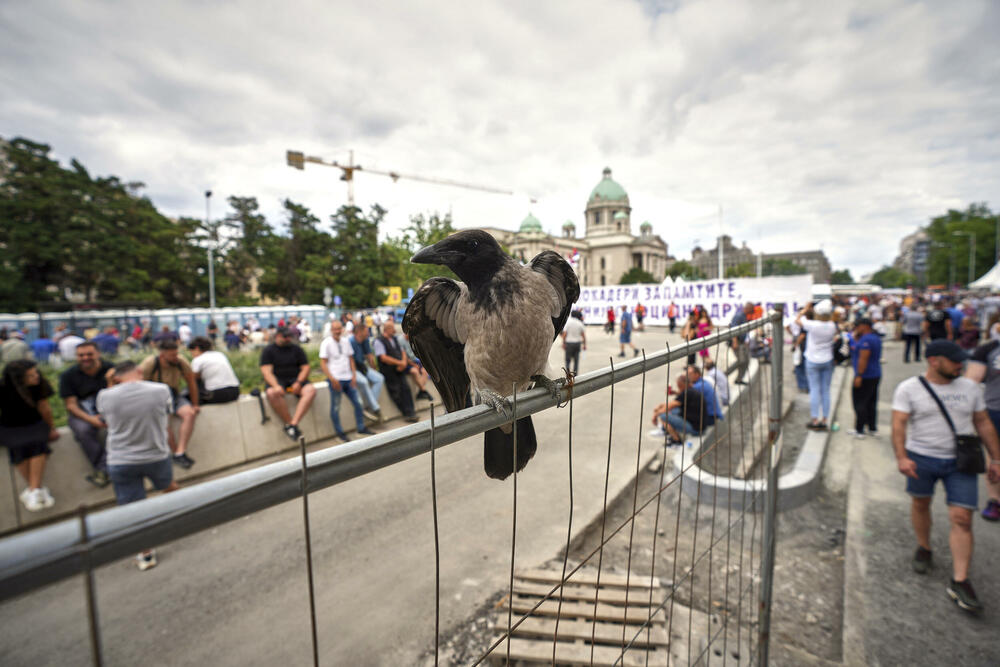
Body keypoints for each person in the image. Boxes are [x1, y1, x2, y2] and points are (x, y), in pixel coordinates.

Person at [891, 340, 1000, 614]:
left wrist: (996, 457)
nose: (960, 365)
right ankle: (924, 547)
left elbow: (983, 422)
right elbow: (899, 424)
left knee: (962, 517)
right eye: (954, 361)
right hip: (921, 459)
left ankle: (960, 580)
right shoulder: (908, 389)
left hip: (960, 461)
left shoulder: (970, 388)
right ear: (934, 361)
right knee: (920, 504)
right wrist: (902, 457)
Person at [97, 361, 179, 570]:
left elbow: (106, 418)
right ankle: (188, 517)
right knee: (169, 486)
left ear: (115, 377)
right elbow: (166, 415)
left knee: (134, 510)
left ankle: (146, 555)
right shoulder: (160, 390)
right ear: (140, 372)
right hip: (156, 455)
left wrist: (110, 384)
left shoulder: (105, 395)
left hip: (121, 460)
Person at [0, 360, 58, 512]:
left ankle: (32, 491)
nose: (36, 376)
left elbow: (45, 408)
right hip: (10, 426)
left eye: (36, 372)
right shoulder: (3, 387)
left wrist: (51, 428)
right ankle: (37, 489)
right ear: (19, 379)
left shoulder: (39, 385)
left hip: (35, 423)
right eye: (30, 375)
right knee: (17, 446)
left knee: (38, 443)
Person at [59, 342, 114, 487]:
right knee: (83, 430)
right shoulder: (68, 375)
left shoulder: (110, 369)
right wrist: (91, 419)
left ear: (98, 354)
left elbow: (118, 394)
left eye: (89, 354)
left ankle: (106, 469)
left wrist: (110, 380)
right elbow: (71, 405)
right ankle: (104, 468)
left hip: (108, 409)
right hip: (82, 412)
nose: (85, 358)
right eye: (81, 355)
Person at [138, 340, 199, 468]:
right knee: (165, 422)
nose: (176, 357)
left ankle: (180, 452)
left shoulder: (181, 362)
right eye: (172, 355)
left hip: (174, 395)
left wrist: (195, 404)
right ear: (162, 355)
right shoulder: (150, 363)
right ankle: (175, 452)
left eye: (177, 354)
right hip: (155, 397)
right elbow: (138, 383)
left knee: (189, 414)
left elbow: (191, 382)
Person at [963, 339, 1000, 522]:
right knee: (995, 455)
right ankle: (995, 500)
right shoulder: (990, 348)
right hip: (995, 409)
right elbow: (971, 380)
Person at [260, 327, 318, 441]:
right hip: (280, 384)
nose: (288, 339)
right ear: (277, 336)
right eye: (285, 337)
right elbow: (266, 372)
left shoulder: (296, 349)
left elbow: (305, 367)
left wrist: (299, 382)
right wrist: (276, 385)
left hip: (295, 384)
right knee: (271, 393)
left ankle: (293, 424)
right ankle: (289, 423)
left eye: (289, 337)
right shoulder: (268, 351)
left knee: (310, 390)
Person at [318, 320, 373, 441]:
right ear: (331, 330)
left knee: (358, 403)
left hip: (348, 378)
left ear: (342, 329)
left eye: (339, 328)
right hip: (335, 380)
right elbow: (323, 363)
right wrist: (332, 379)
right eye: (335, 329)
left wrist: (353, 375)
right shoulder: (326, 343)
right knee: (336, 407)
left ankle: (361, 428)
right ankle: (339, 433)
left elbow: (351, 359)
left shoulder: (345, 341)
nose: (337, 331)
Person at [797, 300, 838, 430]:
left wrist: (805, 309)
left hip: (812, 360)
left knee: (814, 390)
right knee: (825, 390)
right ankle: (825, 419)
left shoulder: (812, 325)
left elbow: (797, 320)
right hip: (827, 360)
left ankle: (815, 420)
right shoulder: (832, 325)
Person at [374, 321, 420, 423]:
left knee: (406, 389)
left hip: (400, 369)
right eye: (392, 328)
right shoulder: (379, 341)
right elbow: (383, 358)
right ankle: (407, 414)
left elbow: (402, 351)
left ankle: (411, 412)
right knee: (396, 392)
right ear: (387, 329)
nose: (394, 330)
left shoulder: (394, 339)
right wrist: (399, 363)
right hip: (389, 371)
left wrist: (403, 362)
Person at [651, 374, 714, 445]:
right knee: (673, 411)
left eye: (678, 385)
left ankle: (676, 441)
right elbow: (672, 404)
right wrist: (661, 406)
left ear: (681, 385)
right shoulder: (692, 391)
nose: (678, 387)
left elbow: (669, 406)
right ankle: (666, 430)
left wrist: (655, 416)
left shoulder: (687, 393)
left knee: (663, 416)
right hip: (700, 425)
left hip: (696, 429)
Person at [848, 318, 882, 438]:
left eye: (858, 326)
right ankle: (872, 427)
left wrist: (859, 375)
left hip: (865, 375)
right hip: (875, 374)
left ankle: (859, 429)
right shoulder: (875, 337)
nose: (856, 328)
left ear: (865, 326)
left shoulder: (866, 340)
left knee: (859, 402)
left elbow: (863, 359)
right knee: (871, 402)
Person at [187, 337, 240, 404]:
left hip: (217, 394)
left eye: (192, 352)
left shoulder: (197, 360)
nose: (192, 355)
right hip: (235, 391)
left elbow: (192, 379)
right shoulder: (220, 354)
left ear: (197, 349)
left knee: (188, 393)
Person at [349, 326, 386, 422]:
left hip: (362, 367)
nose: (368, 333)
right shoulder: (351, 341)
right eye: (366, 331)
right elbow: (350, 360)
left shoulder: (365, 340)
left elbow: (369, 355)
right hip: (352, 369)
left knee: (379, 378)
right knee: (364, 382)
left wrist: (373, 368)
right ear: (359, 331)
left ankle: (369, 407)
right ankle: (376, 410)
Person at [728, 303, 754, 386]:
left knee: (746, 361)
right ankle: (725, 374)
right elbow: (733, 329)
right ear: (748, 308)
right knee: (741, 360)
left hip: (742, 342)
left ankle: (739, 379)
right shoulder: (738, 316)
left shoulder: (744, 316)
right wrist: (734, 342)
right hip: (737, 342)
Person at [561, 310, 586, 376]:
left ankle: (568, 374)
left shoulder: (568, 323)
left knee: (568, 360)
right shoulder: (580, 323)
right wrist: (584, 345)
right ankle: (575, 375)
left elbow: (564, 334)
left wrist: (563, 343)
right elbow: (583, 335)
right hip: (577, 344)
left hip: (569, 344)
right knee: (576, 361)